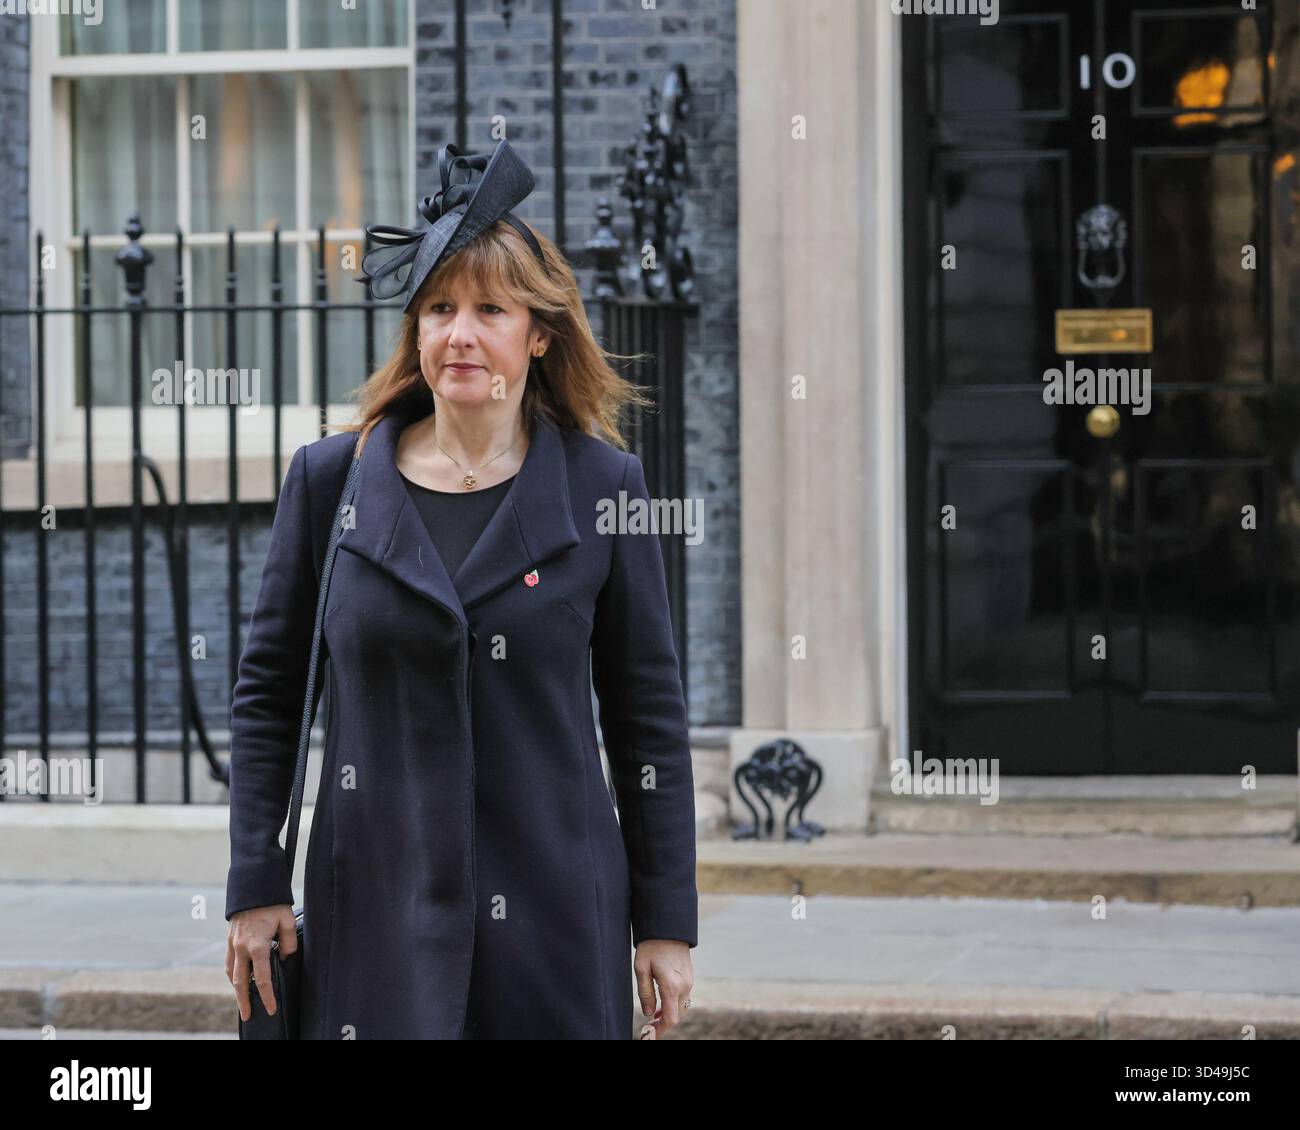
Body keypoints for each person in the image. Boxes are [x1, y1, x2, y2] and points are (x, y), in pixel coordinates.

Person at [224, 139, 698, 1039]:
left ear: (539, 334)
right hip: (373, 911)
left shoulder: (605, 490)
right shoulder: (330, 483)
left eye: (490, 309)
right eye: (439, 308)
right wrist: (256, 884)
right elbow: (267, 697)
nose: (460, 334)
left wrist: (667, 923)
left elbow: (648, 716)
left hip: (556, 919)